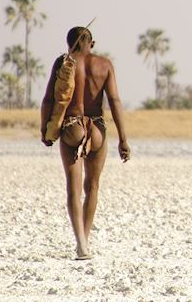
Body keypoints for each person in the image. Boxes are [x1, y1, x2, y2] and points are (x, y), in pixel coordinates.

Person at [40, 26, 131, 260]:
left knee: (73, 188)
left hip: (72, 128)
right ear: (91, 43)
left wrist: (45, 130)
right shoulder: (105, 64)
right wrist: (123, 139)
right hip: (97, 129)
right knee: (92, 187)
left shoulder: (64, 62)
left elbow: (49, 99)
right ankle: (86, 240)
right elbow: (115, 101)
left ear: (69, 43)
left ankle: (80, 244)